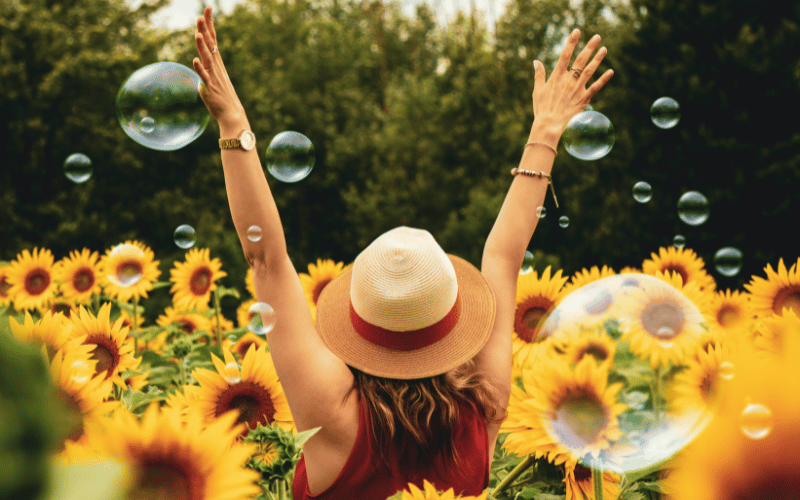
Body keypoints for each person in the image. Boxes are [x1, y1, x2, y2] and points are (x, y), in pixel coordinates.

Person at [192, 7, 613, 498]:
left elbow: (266, 258)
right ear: (452, 323)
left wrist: (234, 123)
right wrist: (546, 130)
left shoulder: (332, 413)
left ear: (359, 323)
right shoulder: (482, 411)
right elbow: (503, 257)